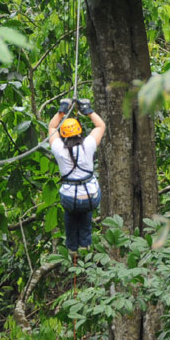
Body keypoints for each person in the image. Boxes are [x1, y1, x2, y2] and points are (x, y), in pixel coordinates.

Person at [47, 99, 105, 254]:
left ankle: (72, 248)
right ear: (79, 131)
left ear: (63, 134)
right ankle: (85, 246)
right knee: (85, 211)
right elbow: (100, 126)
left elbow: (52, 127)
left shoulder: (59, 148)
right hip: (90, 197)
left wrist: (62, 111)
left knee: (71, 215)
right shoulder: (89, 144)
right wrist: (88, 110)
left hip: (70, 199)